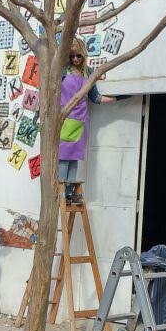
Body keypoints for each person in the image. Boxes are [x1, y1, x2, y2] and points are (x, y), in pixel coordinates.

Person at [59, 38, 119, 205]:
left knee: (74, 158)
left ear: (84, 55)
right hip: (64, 119)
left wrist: (117, 98)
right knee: (63, 158)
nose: (75, 59)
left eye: (78, 55)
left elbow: (95, 97)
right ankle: (60, 194)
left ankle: (69, 194)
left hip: (81, 121)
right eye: (72, 56)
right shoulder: (63, 70)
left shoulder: (89, 72)